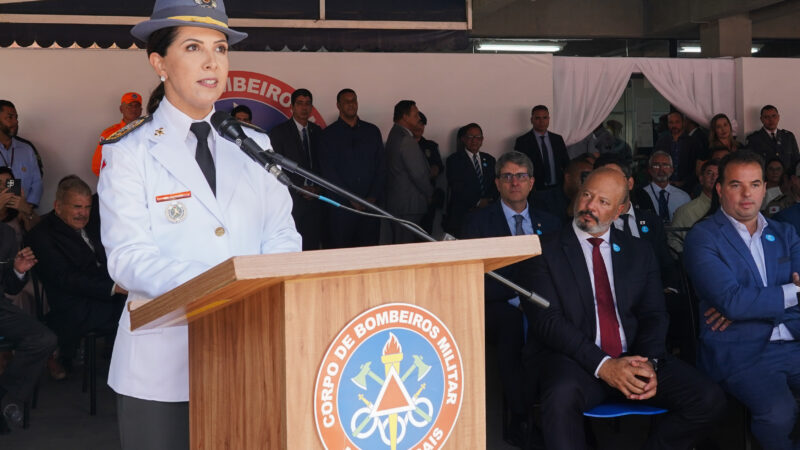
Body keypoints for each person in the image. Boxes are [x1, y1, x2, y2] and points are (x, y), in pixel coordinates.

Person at [97, 2, 301, 448]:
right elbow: (128, 258)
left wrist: (254, 292)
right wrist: (222, 287)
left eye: (221, 48)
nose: (213, 62)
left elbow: (283, 235)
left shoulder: (255, 145)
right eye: (193, 47)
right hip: (162, 368)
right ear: (159, 63)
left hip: (249, 354)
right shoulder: (128, 151)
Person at [523, 167, 725, 450]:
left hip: (634, 358)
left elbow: (654, 314)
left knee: (708, 399)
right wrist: (604, 365)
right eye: (587, 195)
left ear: (618, 211)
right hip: (576, 361)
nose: (590, 206)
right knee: (559, 398)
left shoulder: (639, 252)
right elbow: (548, 321)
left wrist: (649, 363)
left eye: (603, 202)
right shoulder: (543, 250)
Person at [684, 151, 800, 450]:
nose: (747, 194)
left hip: (794, 340)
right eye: (737, 184)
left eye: (755, 184)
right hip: (741, 351)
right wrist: (792, 292)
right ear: (720, 189)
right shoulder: (703, 237)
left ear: (765, 188)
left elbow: (737, 304)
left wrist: (747, 305)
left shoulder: (785, 233)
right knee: (779, 414)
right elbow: (732, 302)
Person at [461, 151, 559, 447]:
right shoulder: (477, 223)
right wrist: (516, 295)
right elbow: (472, 276)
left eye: (520, 176)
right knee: (512, 327)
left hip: (542, 302)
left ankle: (563, 410)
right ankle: (521, 417)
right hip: (498, 304)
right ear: (497, 183)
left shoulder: (551, 222)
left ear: (531, 182)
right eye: (507, 176)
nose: (514, 182)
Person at [26, 175, 126, 371]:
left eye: (87, 207)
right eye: (77, 207)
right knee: (134, 311)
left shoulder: (90, 224)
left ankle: (127, 368)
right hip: (73, 309)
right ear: (58, 206)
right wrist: (114, 287)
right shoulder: (41, 236)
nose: (83, 213)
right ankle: (129, 372)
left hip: (101, 298)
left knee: (141, 304)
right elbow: (66, 278)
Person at [0, 222, 57, 432]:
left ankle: (3, 394)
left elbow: (10, 286)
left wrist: (17, 271)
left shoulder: (5, 233)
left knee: (44, 339)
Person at [319, 89, 385, 248]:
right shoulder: (328, 135)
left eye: (354, 100)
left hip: (370, 208)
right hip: (341, 209)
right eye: (347, 101)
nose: (351, 104)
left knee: (369, 255)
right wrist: (350, 199)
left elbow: (381, 167)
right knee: (342, 256)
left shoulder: (372, 131)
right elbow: (328, 172)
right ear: (338, 105)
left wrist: (372, 197)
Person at [268, 88, 324, 250]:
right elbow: (275, 168)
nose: (304, 108)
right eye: (300, 103)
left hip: (316, 199)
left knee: (313, 248)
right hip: (292, 200)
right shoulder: (279, 132)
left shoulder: (317, 132)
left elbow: (323, 164)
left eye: (307, 104)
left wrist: (317, 188)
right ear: (292, 107)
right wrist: (299, 188)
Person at [385, 100, 432, 243]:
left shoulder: (394, 134)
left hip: (399, 204)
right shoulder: (406, 139)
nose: (418, 117)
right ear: (405, 117)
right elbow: (418, 174)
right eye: (415, 114)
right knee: (406, 248)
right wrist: (430, 193)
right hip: (409, 206)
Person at [444, 123, 498, 237]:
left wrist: (489, 200)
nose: (474, 141)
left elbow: (496, 183)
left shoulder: (490, 159)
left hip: (487, 213)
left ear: (482, 139)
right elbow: (457, 186)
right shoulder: (453, 160)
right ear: (463, 139)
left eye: (478, 137)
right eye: (470, 137)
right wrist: (478, 202)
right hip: (463, 214)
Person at [667, 159, 719, 254]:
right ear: (701, 179)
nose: (714, 177)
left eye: (718, 174)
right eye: (709, 173)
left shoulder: (732, 209)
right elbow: (673, 241)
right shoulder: (685, 211)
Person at [513, 105, 568, 191]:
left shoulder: (557, 139)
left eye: (545, 118)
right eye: (537, 118)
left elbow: (566, 163)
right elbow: (519, 167)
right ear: (532, 120)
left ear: (549, 119)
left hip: (558, 188)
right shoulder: (523, 141)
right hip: (535, 189)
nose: (541, 121)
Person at [0, 101, 43, 208]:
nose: (15, 122)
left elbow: (37, 181)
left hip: (25, 216)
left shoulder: (27, 149)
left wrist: (27, 207)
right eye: (10, 117)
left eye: (16, 117)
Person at [91, 92, 143, 176]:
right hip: (117, 182)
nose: (133, 109)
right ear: (121, 109)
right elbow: (97, 166)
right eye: (130, 105)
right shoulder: (109, 133)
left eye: (137, 106)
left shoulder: (148, 131)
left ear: (141, 110)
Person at [533, 153, 594, 223]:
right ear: (568, 178)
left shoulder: (592, 201)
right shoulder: (542, 199)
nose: (587, 182)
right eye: (584, 177)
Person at [654, 111, 701, 192]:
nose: (674, 125)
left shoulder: (692, 142)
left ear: (683, 123)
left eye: (677, 122)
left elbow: (696, 168)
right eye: (671, 122)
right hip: (665, 185)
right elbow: (655, 161)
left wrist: (685, 182)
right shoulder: (662, 140)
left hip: (687, 187)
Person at [413, 112, 444, 235]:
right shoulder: (405, 144)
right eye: (417, 124)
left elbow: (439, 165)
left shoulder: (430, 146)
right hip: (410, 198)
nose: (420, 128)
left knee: (425, 234)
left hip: (428, 198)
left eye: (422, 124)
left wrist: (436, 168)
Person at [746, 105, 799, 170]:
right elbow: (751, 163)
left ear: (778, 117)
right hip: (765, 178)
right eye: (766, 117)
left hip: (786, 178)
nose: (771, 120)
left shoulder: (788, 137)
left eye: (774, 116)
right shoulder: (754, 139)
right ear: (761, 119)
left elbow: (796, 161)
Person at [645, 151, 691, 223]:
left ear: (672, 170)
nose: (661, 170)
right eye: (656, 166)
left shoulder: (683, 197)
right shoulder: (642, 195)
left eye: (665, 165)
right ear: (650, 170)